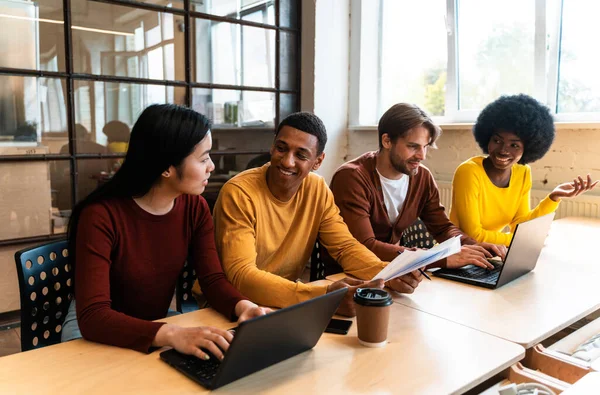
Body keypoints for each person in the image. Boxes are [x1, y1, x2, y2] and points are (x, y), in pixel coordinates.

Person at [61, 104, 268, 359]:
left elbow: (212, 280)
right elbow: (94, 316)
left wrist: (243, 307)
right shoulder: (100, 216)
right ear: (167, 167)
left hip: (154, 324)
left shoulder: (195, 207)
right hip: (92, 331)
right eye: (203, 159)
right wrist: (172, 333)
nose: (211, 166)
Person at [203, 112, 420, 317]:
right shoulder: (239, 193)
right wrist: (322, 297)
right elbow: (241, 276)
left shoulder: (317, 189)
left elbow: (344, 247)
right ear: (272, 147)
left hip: (282, 304)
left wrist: (388, 273)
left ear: (318, 161)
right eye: (281, 148)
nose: (287, 161)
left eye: (301, 155)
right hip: (230, 306)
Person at [330, 103, 506, 270]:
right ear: (387, 141)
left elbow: (442, 228)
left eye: (426, 147)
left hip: (391, 271)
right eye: (413, 147)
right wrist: (437, 258)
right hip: (349, 276)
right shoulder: (352, 178)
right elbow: (365, 246)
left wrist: (474, 247)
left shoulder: (422, 176)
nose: (422, 155)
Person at [450, 94, 598, 246]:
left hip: (489, 254)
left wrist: (553, 198)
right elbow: (473, 236)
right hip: (456, 255)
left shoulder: (522, 172)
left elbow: (520, 225)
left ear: (528, 148)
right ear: (487, 138)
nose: (503, 150)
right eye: (497, 141)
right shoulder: (469, 172)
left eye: (514, 145)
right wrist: (523, 240)